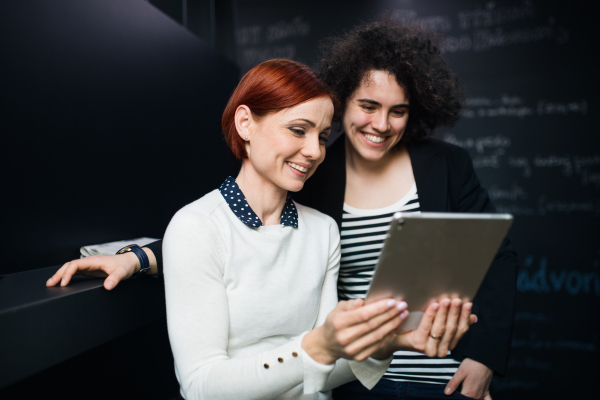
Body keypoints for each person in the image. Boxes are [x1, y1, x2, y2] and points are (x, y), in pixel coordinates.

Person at [48, 19, 517, 400]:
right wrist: (138, 256)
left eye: (398, 111)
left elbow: (496, 254)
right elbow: (225, 229)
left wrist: (407, 345)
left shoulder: (332, 219)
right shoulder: (303, 179)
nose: (381, 123)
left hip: (429, 367)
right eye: (368, 106)